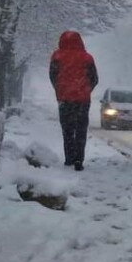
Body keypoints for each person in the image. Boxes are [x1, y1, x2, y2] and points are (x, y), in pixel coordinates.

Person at [49, 31, 98, 171]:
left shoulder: (57, 56)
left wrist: (60, 89)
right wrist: (86, 90)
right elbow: (94, 79)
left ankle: (69, 158)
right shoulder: (87, 58)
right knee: (81, 130)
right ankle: (79, 160)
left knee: (67, 130)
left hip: (65, 100)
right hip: (82, 100)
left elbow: (53, 76)